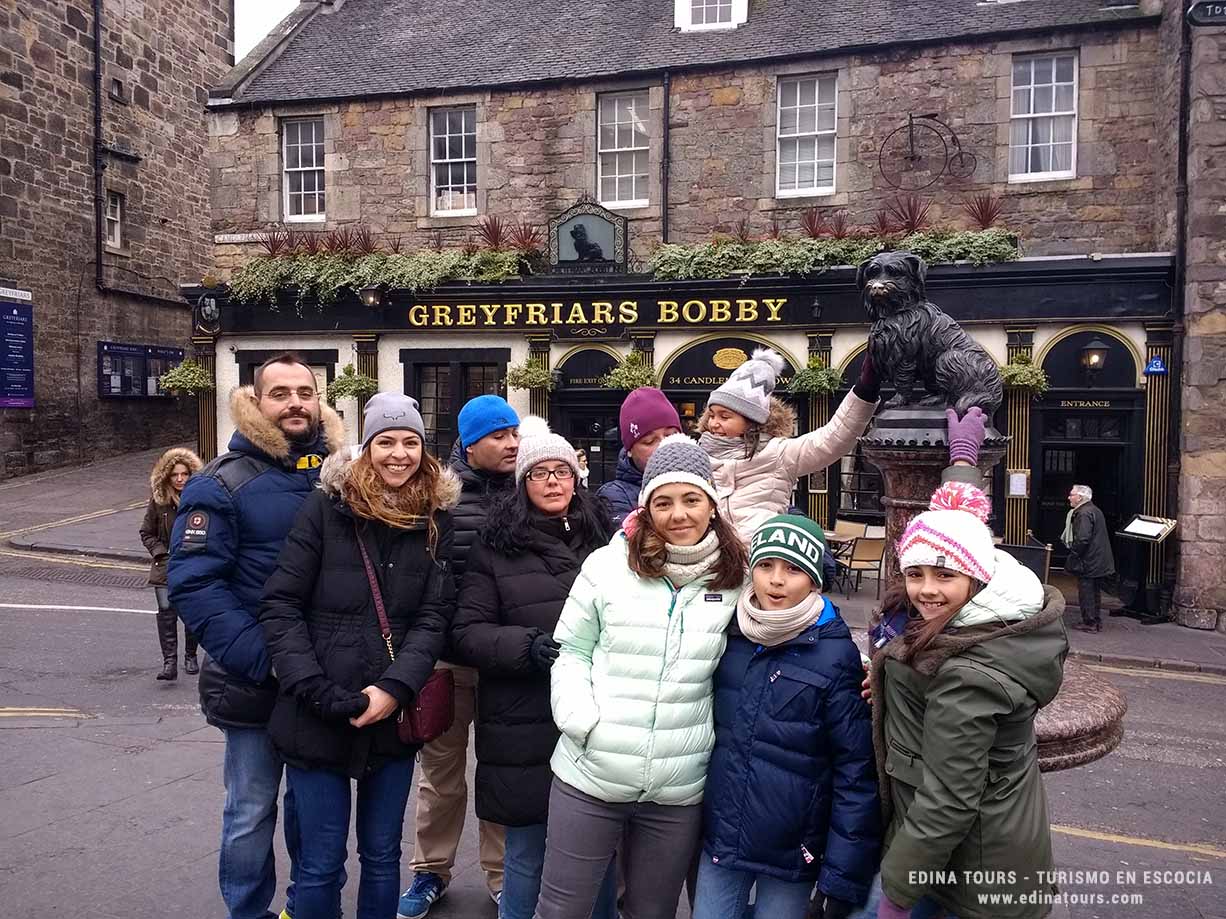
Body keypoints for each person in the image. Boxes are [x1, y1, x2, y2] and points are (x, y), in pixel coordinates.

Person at [258, 393, 457, 919]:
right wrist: (314, 689)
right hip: (316, 711)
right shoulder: (327, 508)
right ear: (366, 448)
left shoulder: (435, 517)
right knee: (320, 864)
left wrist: (395, 688)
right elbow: (281, 604)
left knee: (382, 855)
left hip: (390, 718)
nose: (399, 454)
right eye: (385, 442)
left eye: (410, 442)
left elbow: (432, 619)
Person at [535, 434, 748, 919]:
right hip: (591, 772)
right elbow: (571, 650)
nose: (679, 515)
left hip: (679, 785)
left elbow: (782, 626)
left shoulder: (735, 578)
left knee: (652, 912)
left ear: (712, 505)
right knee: (561, 909)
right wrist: (580, 720)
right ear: (646, 508)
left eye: (692, 499)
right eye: (664, 502)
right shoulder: (607, 566)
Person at [867, 408, 1068, 919]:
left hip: (969, 873)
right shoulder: (998, 598)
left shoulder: (966, 673)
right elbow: (958, 528)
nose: (926, 590)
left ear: (975, 578)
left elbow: (949, 800)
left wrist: (895, 893)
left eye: (943, 577)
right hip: (985, 853)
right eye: (914, 574)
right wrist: (962, 458)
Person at [169, 353, 345, 919]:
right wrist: (266, 659)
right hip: (257, 680)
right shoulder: (219, 484)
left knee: (309, 809)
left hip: (320, 682)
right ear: (255, 402)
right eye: (280, 393)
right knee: (250, 809)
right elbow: (195, 587)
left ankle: (304, 907)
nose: (295, 402)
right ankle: (247, 912)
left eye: (305, 391)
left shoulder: (340, 479)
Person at [449, 417, 618, 919]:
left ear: (576, 478)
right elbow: (467, 631)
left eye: (561, 472)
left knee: (600, 849)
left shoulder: (604, 541)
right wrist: (526, 646)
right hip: (523, 718)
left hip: (598, 716)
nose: (552, 481)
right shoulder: (495, 545)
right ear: (523, 484)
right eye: (539, 472)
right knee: (526, 851)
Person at [694, 514, 880, 919]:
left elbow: (854, 769)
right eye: (766, 565)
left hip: (793, 850)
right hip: (723, 836)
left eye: (793, 569)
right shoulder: (728, 633)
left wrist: (843, 871)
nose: (776, 580)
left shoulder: (836, 655)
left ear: (815, 580)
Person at [399, 394, 518, 918]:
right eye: (499, 435)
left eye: (514, 433)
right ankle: (430, 872)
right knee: (440, 777)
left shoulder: (528, 492)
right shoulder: (438, 499)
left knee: (501, 772)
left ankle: (502, 874)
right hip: (446, 659)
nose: (512, 442)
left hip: (505, 662)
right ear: (470, 444)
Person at [698, 348, 879, 544]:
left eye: (725, 416)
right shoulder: (696, 456)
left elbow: (833, 439)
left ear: (751, 421)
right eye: (712, 415)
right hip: (712, 566)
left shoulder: (778, 453)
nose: (714, 423)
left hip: (760, 564)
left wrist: (865, 389)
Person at [141, 447, 202, 681]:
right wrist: (160, 552)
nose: (179, 479)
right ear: (167, 477)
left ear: (191, 475)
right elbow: (146, 532)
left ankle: (190, 656)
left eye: (184, 474)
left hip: (191, 564)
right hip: (165, 566)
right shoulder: (159, 502)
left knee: (190, 612)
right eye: (175, 475)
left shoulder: (199, 501)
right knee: (166, 612)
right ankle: (169, 663)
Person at [596, 387, 682, 526]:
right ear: (629, 450)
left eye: (671, 435)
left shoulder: (704, 479)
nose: (663, 446)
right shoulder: (613, 496)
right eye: (649, 441)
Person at [1063, 485, 1116, 633]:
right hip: (1097, 558)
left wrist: (1074, 554)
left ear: (1080, 497)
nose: (1069, 497)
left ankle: (1090, 622)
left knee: (1086, 591)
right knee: (1094, 591)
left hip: (1089, 560)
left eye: (1071, 494)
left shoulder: (1083, 513)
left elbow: (1083, 539)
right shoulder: (1094, 510)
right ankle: (1095, 620)